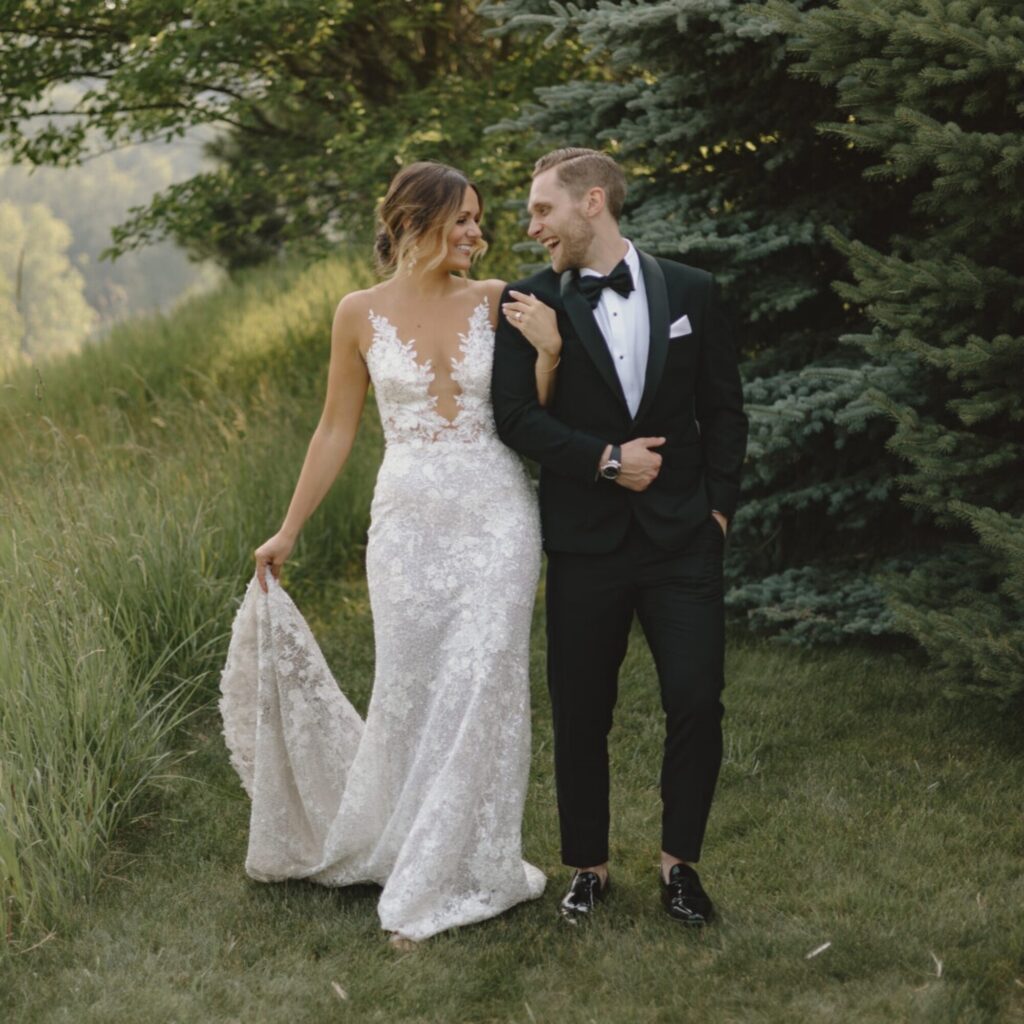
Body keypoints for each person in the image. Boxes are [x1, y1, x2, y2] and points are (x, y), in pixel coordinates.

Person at [219, 161, 561, 946]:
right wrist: (289, 529)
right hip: (407, 523)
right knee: (410, 682)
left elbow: (528, 418)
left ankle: (459, 864)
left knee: (485, 678)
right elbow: (335, 428)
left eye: (478, 219)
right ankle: (411, 840)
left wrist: (547, 355)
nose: (478, 233)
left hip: (497, 515)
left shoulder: (499, 299)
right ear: (414, 221)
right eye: (463, 219)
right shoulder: (357, 313)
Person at [493, 147, 748, 926]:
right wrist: (606, 460)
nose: (532, 226)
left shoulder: (693, 290)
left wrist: (718, 511)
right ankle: (587, 867)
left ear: (592, 202)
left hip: (682, 538)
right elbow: (515, 417)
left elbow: (724, 409)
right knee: (581, 710)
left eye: (543, 209)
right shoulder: (528, 301)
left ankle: (680, 867)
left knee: (697, 700)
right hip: (585, 540)